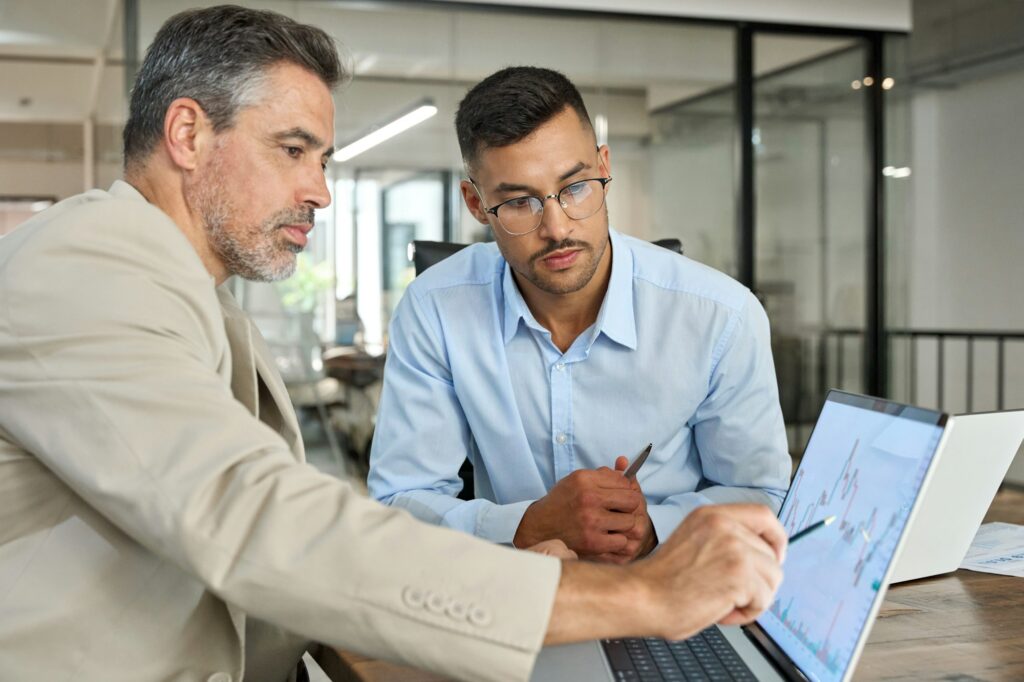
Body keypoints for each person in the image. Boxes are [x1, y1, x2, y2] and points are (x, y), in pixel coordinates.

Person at [0, 7, 786, 682]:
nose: (320, 190)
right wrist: (643, 595)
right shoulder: (84, 268)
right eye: (293, 149)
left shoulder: (187, 292)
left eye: (323, 158)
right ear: (187, 133)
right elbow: (259, 522)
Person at [368, 66, 792, 563]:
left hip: (664, 593)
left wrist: (653, 528)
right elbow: (399, 504)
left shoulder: (722, 316)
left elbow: (763, 497)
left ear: (604, 168)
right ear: (476, 204)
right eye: (519, 201)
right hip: (508, 598)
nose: (557, 227)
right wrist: (527, 525)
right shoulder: (435, 308)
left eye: (575, 188)